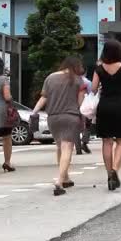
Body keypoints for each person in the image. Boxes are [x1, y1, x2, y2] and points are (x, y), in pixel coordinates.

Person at [31, 56, 86, 196]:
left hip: (53, 118)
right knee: (67, 148)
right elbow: (80, 104)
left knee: (60, 146)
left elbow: (44, 97)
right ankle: (59, 181)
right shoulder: (78, 80)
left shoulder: (50, 78)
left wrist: (34, 111)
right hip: (70, 117)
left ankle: (66, 177)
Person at [92, 39, 121, 191]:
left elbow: (94, 89)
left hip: (104, 106)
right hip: (120, 105)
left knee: (107, 142)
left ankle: (109, 174)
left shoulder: (99, 69)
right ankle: (115, 169)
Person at [74, 68, 92, 155]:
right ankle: (84, 142)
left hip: (72, 106)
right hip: (85, 106)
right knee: (87, 126)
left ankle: (78, 148)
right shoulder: (87, 82)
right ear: (85, 73)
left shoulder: (71, 81)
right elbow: (92, 94)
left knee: (75, 127)